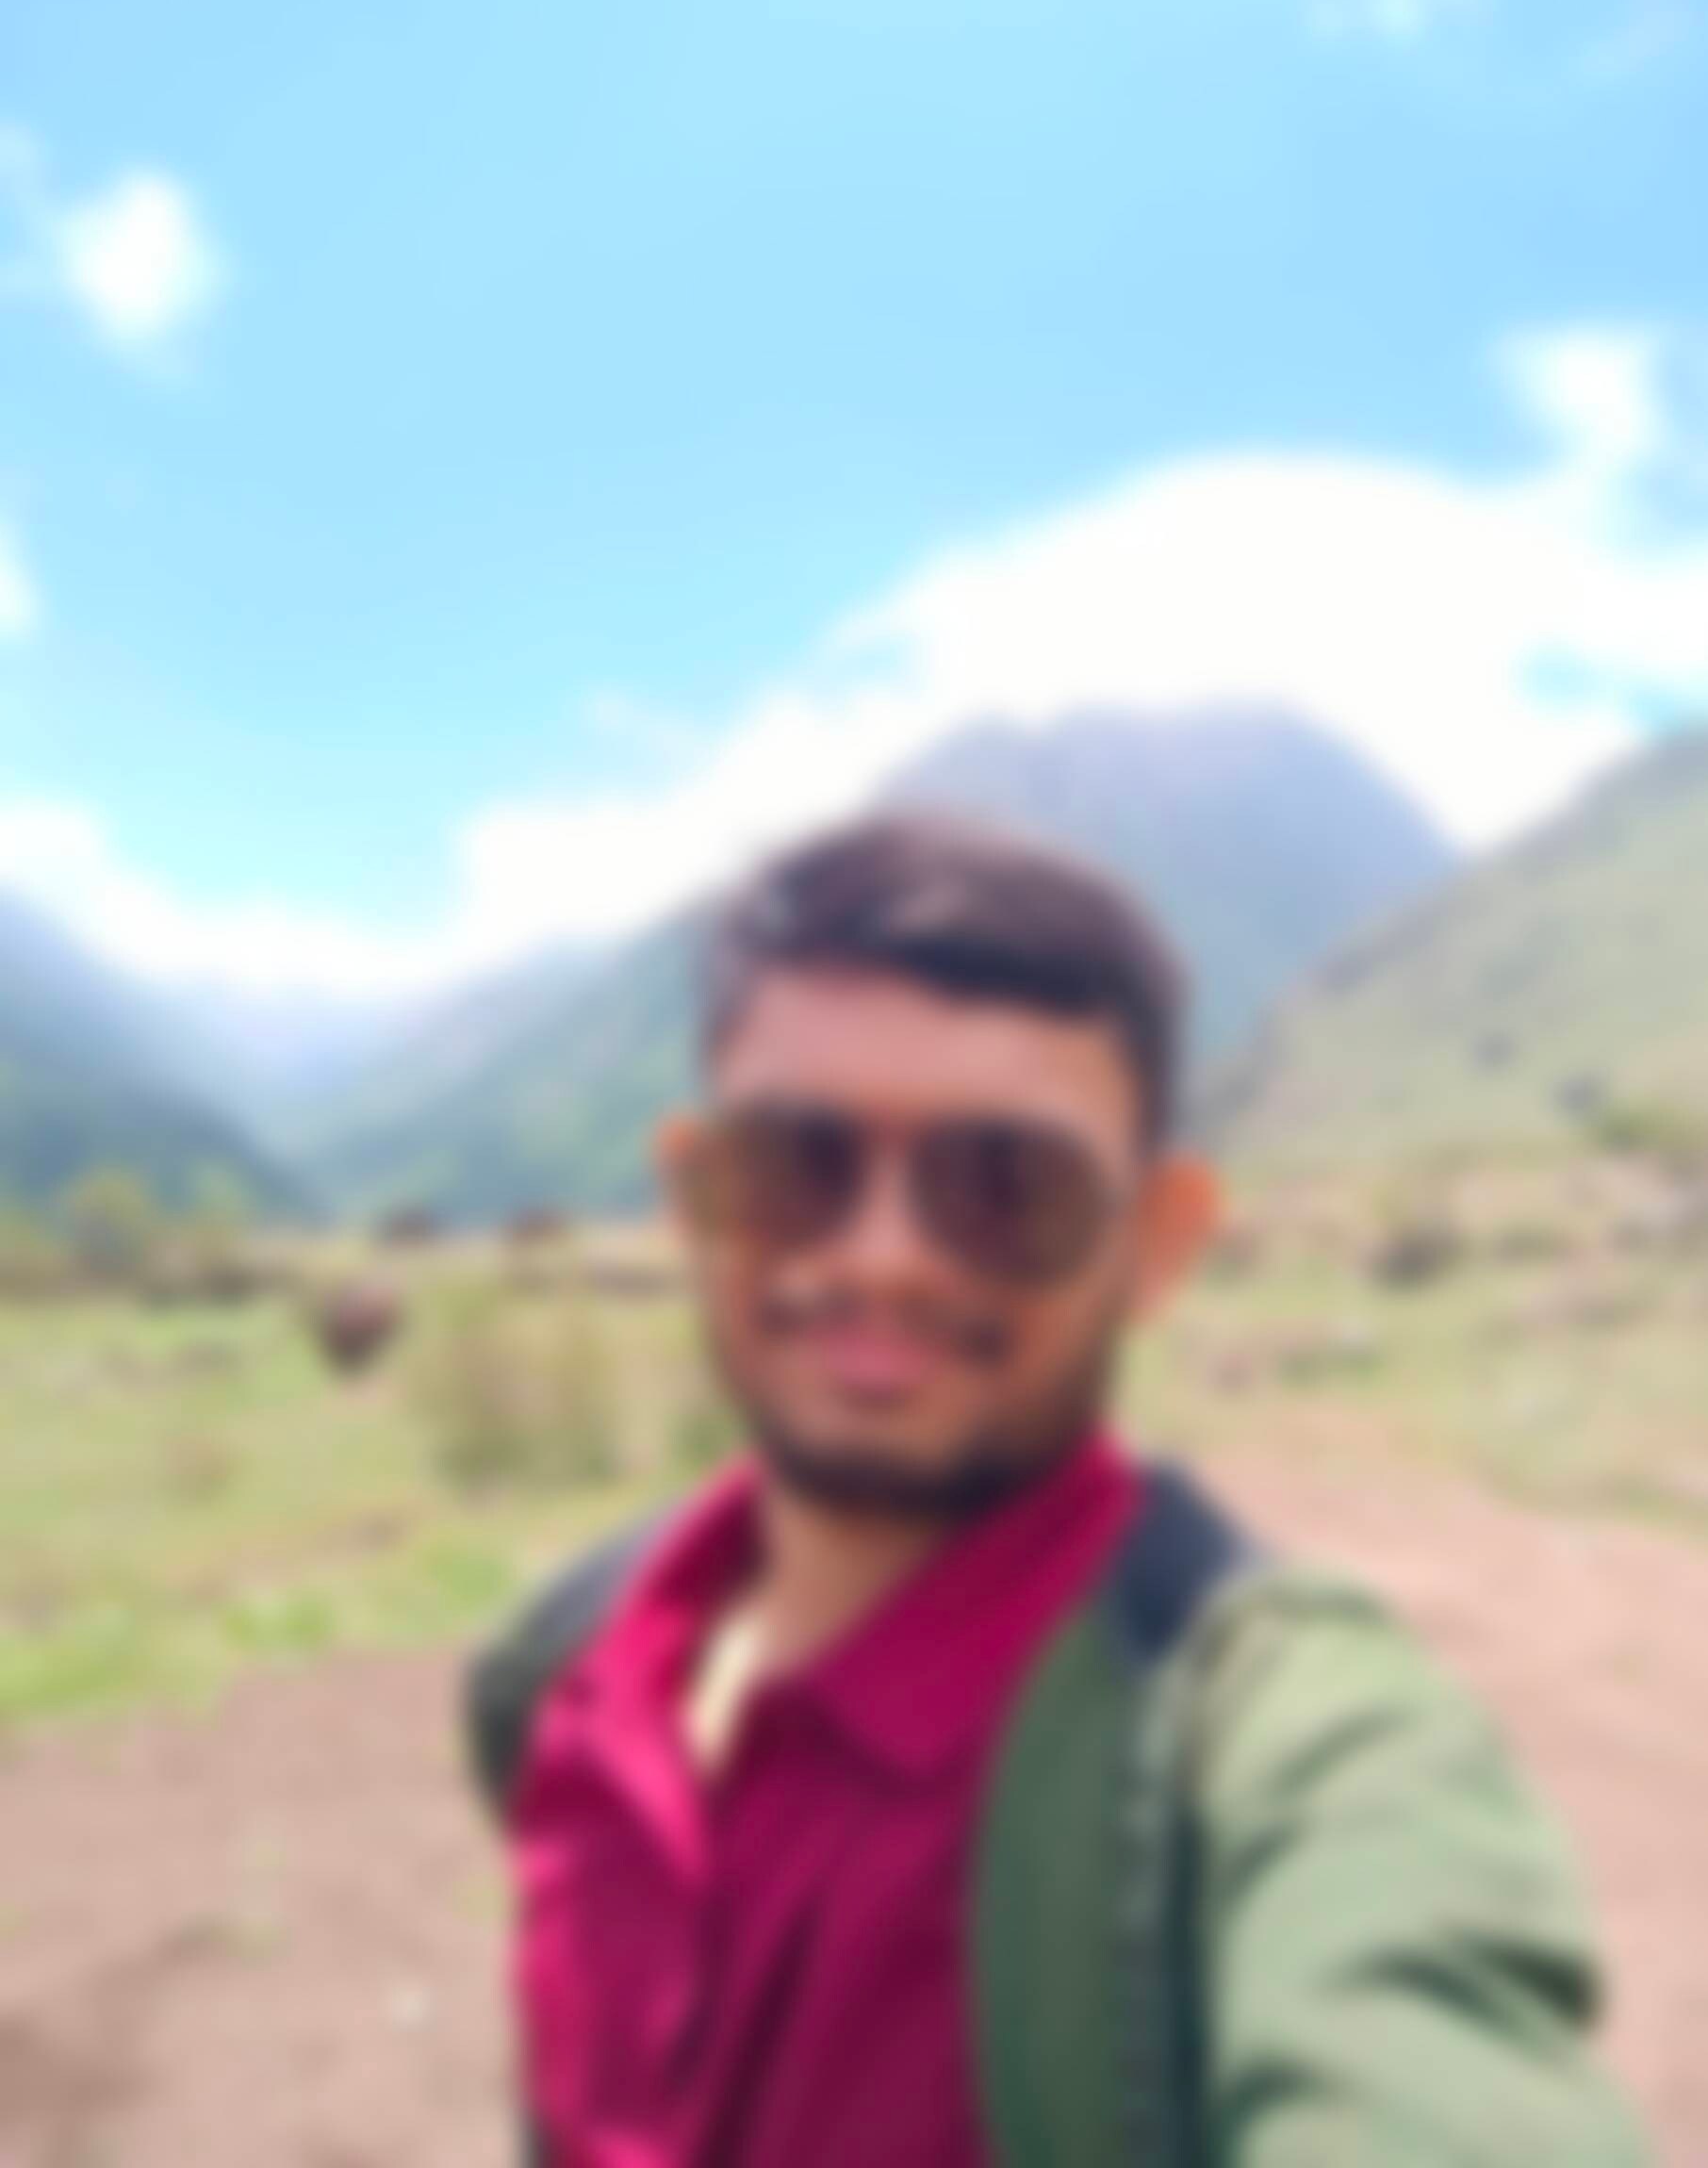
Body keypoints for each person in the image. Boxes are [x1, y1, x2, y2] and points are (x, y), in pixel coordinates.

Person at [467, 813, 1645, 2167]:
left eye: (1007, 1186)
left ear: (1157, 1244)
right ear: (694, 1195)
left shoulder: (1264, 1751)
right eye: (795, 1164)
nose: (883, 1255)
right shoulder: (570, 1674)